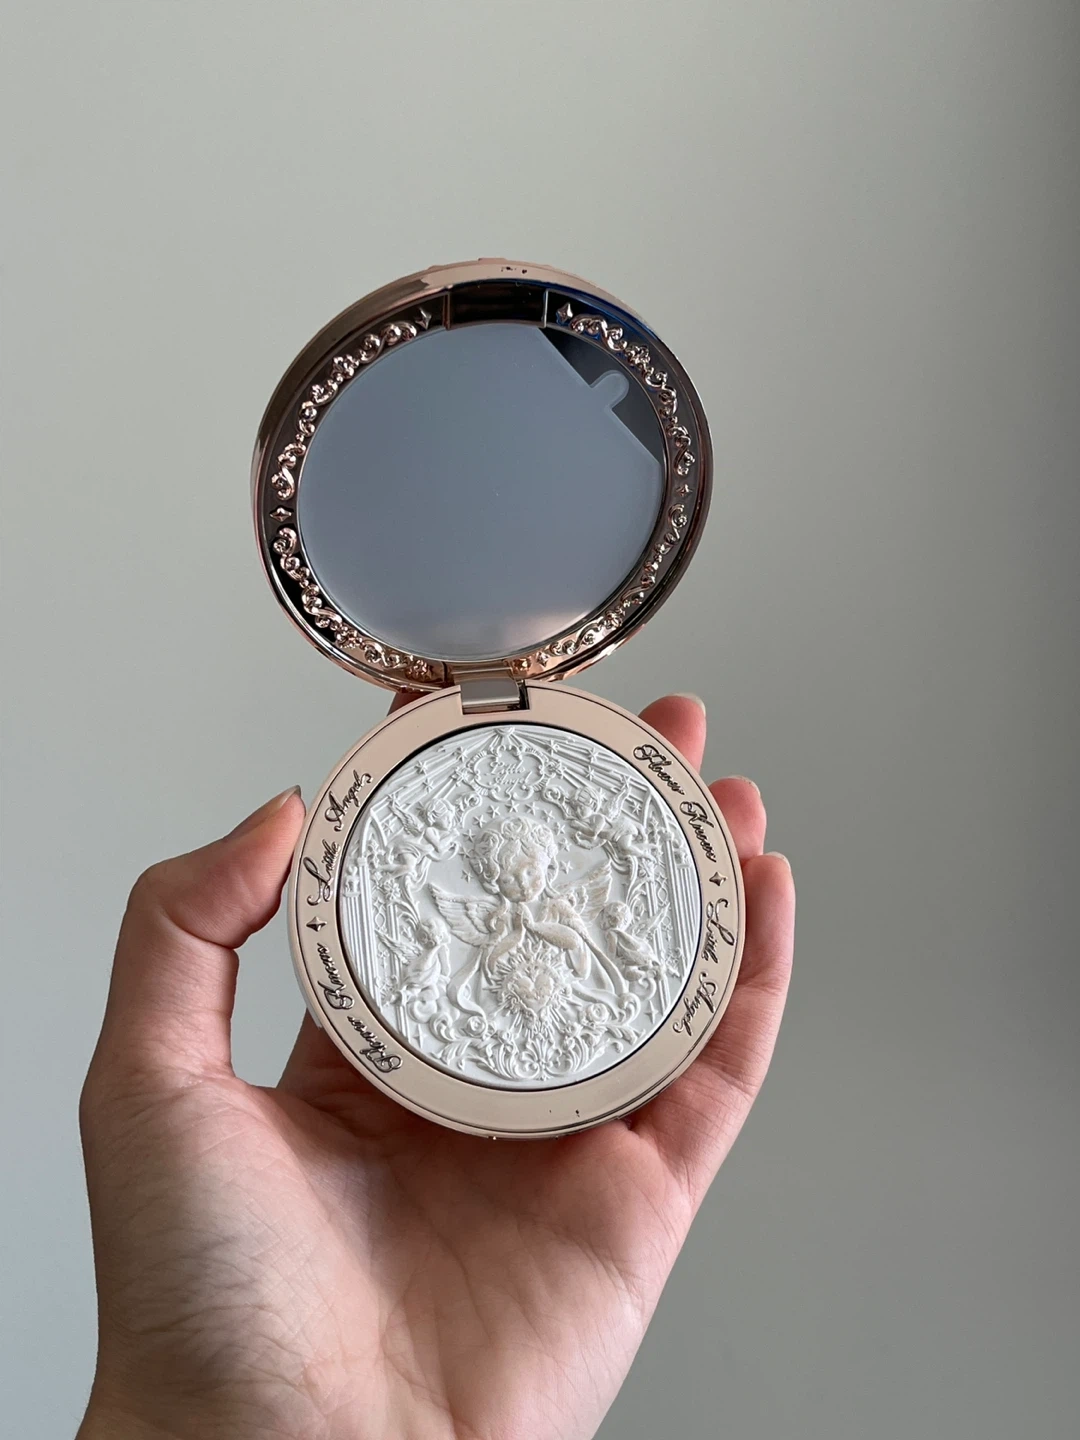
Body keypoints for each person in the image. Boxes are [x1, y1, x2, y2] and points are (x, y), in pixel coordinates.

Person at [77, 694, 795, 1440]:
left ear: (549, 863)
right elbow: (466, 968)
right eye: (504, 871)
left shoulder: (564, 908)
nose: (520, 881)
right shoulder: (482, 914)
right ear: (487, 869)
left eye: (532, 868)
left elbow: (592, 961)